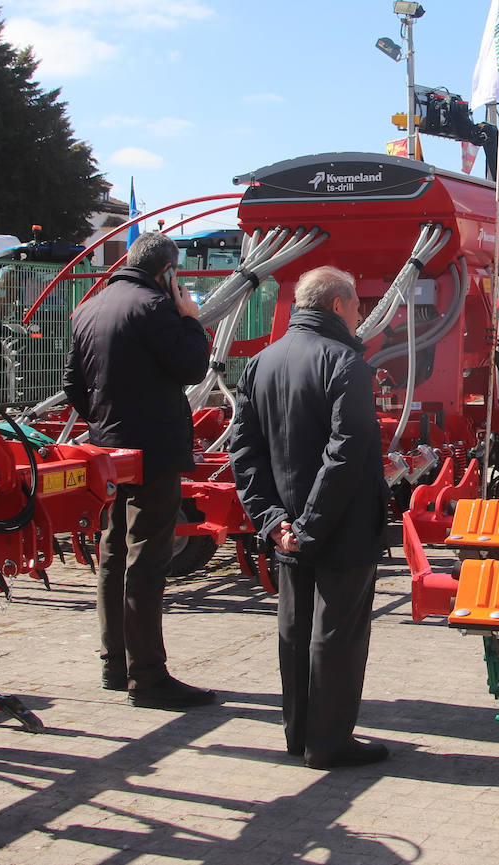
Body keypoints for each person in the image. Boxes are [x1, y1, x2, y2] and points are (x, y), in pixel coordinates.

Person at [229, 266, 391, 770]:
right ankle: (330, 742)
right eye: (358, 305)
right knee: (337, 634)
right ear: (339, 305)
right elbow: (347, 454)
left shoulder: (260, 363)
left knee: (294, 629)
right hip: (337, 527)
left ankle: (298, 733)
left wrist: (274, 521)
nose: (362, 314)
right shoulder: (346, 364)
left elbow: (243, 452)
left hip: (286, 529)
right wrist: (309, 526)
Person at [62, 232, 216, 709]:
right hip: (155, 451)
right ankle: (148, 676)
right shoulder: (155, 307)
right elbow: (193, 366)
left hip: (110, 450)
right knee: (148, 557)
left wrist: (107, 422)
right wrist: (192, 318)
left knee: (112, 551)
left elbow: (72, 382)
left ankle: (115, 662)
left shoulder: (90, 308)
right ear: (168, 272)